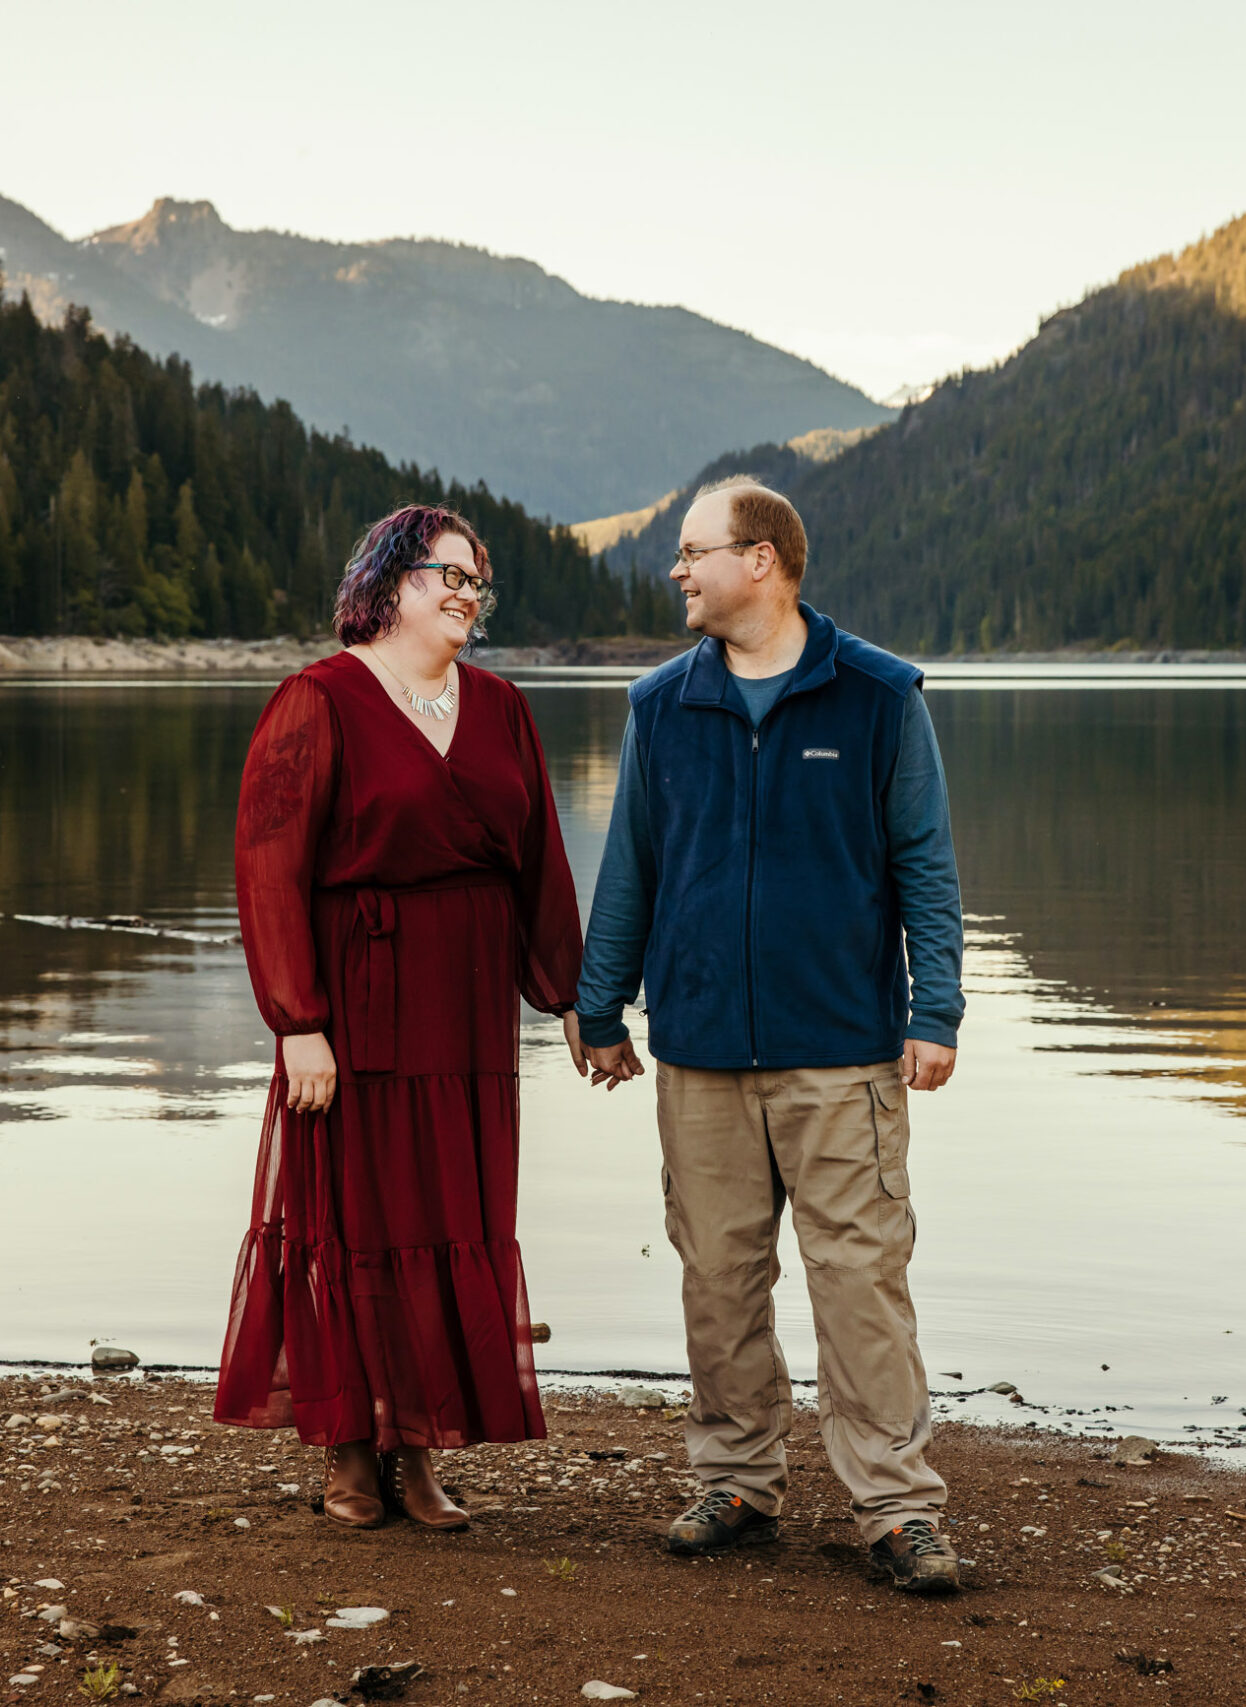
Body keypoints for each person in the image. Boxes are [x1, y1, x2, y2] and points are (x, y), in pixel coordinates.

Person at [574, 475, 968, 1594]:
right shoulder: (662, 705)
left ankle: (895, 1509)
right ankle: (739, 1481)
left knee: (860, 1281)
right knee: (719, 1279)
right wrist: (600, 1009)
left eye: (693, 551)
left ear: (762, 561)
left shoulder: (879, 696)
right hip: (698, 1050)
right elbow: (630, 874)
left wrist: (932, 1009)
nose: (677, 571)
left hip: (842, 1050)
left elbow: (925, 870)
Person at [215, 502, 587, 1531]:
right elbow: (269, 868)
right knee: (352, 1221)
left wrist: (568, 997)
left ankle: (416, 1448)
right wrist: (297, 1023)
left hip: (466, 1010)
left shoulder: (504, 708)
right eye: (449, 575)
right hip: (357, 999)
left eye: (479, 581)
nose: (468, 594)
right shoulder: (317, 701)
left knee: (447, 1216)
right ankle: (347, 1448)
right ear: (387, 586)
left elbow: (539, 865)